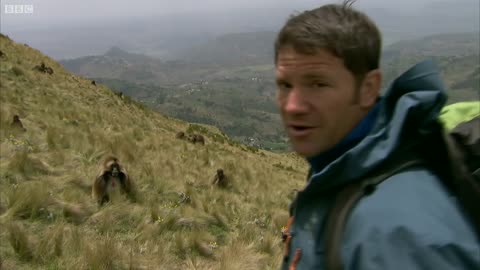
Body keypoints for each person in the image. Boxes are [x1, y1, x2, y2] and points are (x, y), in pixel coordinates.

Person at [274, 1, 480, 270]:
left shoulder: (399, 234)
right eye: (285, 85)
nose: (293, 106)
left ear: (369, 88)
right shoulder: (335, 170)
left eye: (318, 84)